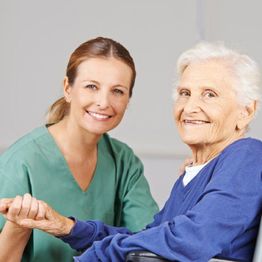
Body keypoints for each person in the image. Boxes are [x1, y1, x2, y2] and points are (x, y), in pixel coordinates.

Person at [1, 41, 262, 262]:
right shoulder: (193, 174)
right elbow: (147, 238)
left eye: (210, 95)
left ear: (246, 111)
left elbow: (193, 238)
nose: (190, 107)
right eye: (185, 93)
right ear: (67, 88)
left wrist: (97, 255)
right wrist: (68, 227)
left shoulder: (247, 156)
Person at [0, 37, 159, 262]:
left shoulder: (124, 162)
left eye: (118, 91)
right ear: (68, 88)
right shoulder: (19, 164)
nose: (104, 102)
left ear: (128, 99)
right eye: (91, 86)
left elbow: (151, 242)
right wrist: (18, 227)